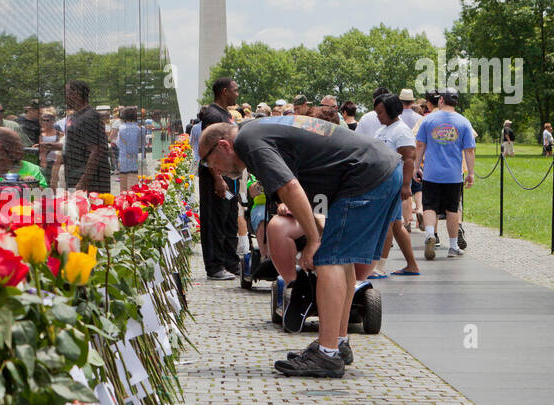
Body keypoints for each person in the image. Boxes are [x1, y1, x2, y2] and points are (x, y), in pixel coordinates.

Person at [198, 115, 402, 377]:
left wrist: (313, 239)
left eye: (208, 160)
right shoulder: (255, 131)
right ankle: (337, 345)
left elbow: (290, 187)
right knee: (342, 258)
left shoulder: (248, 141)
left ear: (224, 146)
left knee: (329, 259)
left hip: (367, 174)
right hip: (379, 168)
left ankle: (326, 355)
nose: (215, 169)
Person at [415, 91, 476, 260]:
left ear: (441, 100)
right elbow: (469, 150)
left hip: (431, 173)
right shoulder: (464, 122)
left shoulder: (428, 120)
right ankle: (453, 246)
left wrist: (416, 167)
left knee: (429, 206)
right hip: (453, 175)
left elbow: (420, 145)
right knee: (452, 209)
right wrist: (470, 173)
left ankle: (429, 235)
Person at [367, 94, 422, 278]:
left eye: (381, 112)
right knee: (397, 225)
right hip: (383, 182)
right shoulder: (384, 129)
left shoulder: (401, 131)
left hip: (393, 183)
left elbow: (409, 158)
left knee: (388, 225)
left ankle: (379, 266)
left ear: (391, 111)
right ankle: (412, 265)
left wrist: (406, 185)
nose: (378, 116)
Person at [197, 78, 245, 280]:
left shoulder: (226, 114)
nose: (237, 94)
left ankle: (230, 262)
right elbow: (211, 148)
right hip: (216, 177)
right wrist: (218, 179)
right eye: (235, 90)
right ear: (224, 91)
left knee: (229, 219)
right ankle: (215, 266)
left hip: (229, 176)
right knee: (214, 221)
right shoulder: (213, 115)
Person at [63, 81, 111, 193]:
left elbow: (96, 150)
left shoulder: (90, 116)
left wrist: (83, 181)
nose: (65, 96)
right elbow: (78, 143)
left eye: (67, 92)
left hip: (90, 182)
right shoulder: (75, 116)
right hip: (74, 175)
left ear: (76, 94)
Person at [117, 106, 145, 192]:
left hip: (123, 160)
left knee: (123, 189)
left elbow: (119, 145)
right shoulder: (140, 129)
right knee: (133, 189)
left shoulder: (121, 129)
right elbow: (141, 143)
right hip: (135, 160)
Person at [37, 110, 63, 183]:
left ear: (53, 121)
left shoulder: (59, 134)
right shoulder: (39, 133)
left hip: (55, 163)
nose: (45, 122)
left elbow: (60, 149)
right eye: (43, 120)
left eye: (48, 120)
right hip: (41, 163)